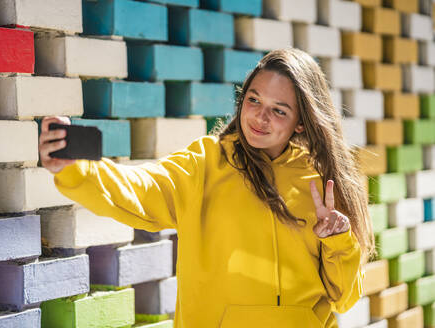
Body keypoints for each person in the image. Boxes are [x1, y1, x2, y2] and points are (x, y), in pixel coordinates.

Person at [39, 48, 375, 328]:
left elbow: (344, 299)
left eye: (278, 111)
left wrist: (337, 243)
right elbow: (142, 188)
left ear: (301, 121)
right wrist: (79, 170)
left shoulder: (322, 184)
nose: (259, 118)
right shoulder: (206, 163)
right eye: (254, 100)